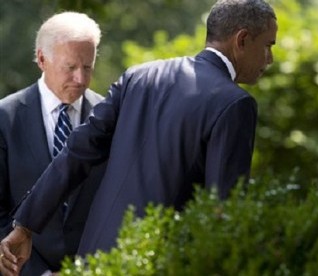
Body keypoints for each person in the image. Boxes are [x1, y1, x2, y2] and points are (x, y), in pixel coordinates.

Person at [0, 0, 277, 274]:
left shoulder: (139, 76)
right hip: (157, 262)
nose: (270, 59)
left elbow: (76, 152)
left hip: (95, 263)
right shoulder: (235, 104)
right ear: (242, 39)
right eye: (267, 45)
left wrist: (24, 225)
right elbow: (222, 209)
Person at [0, 12, 106, 275]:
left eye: (88, 67)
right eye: (70, 67)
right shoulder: (5, 118)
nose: (81, 79)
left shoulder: (110, 118)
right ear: (42, 59)